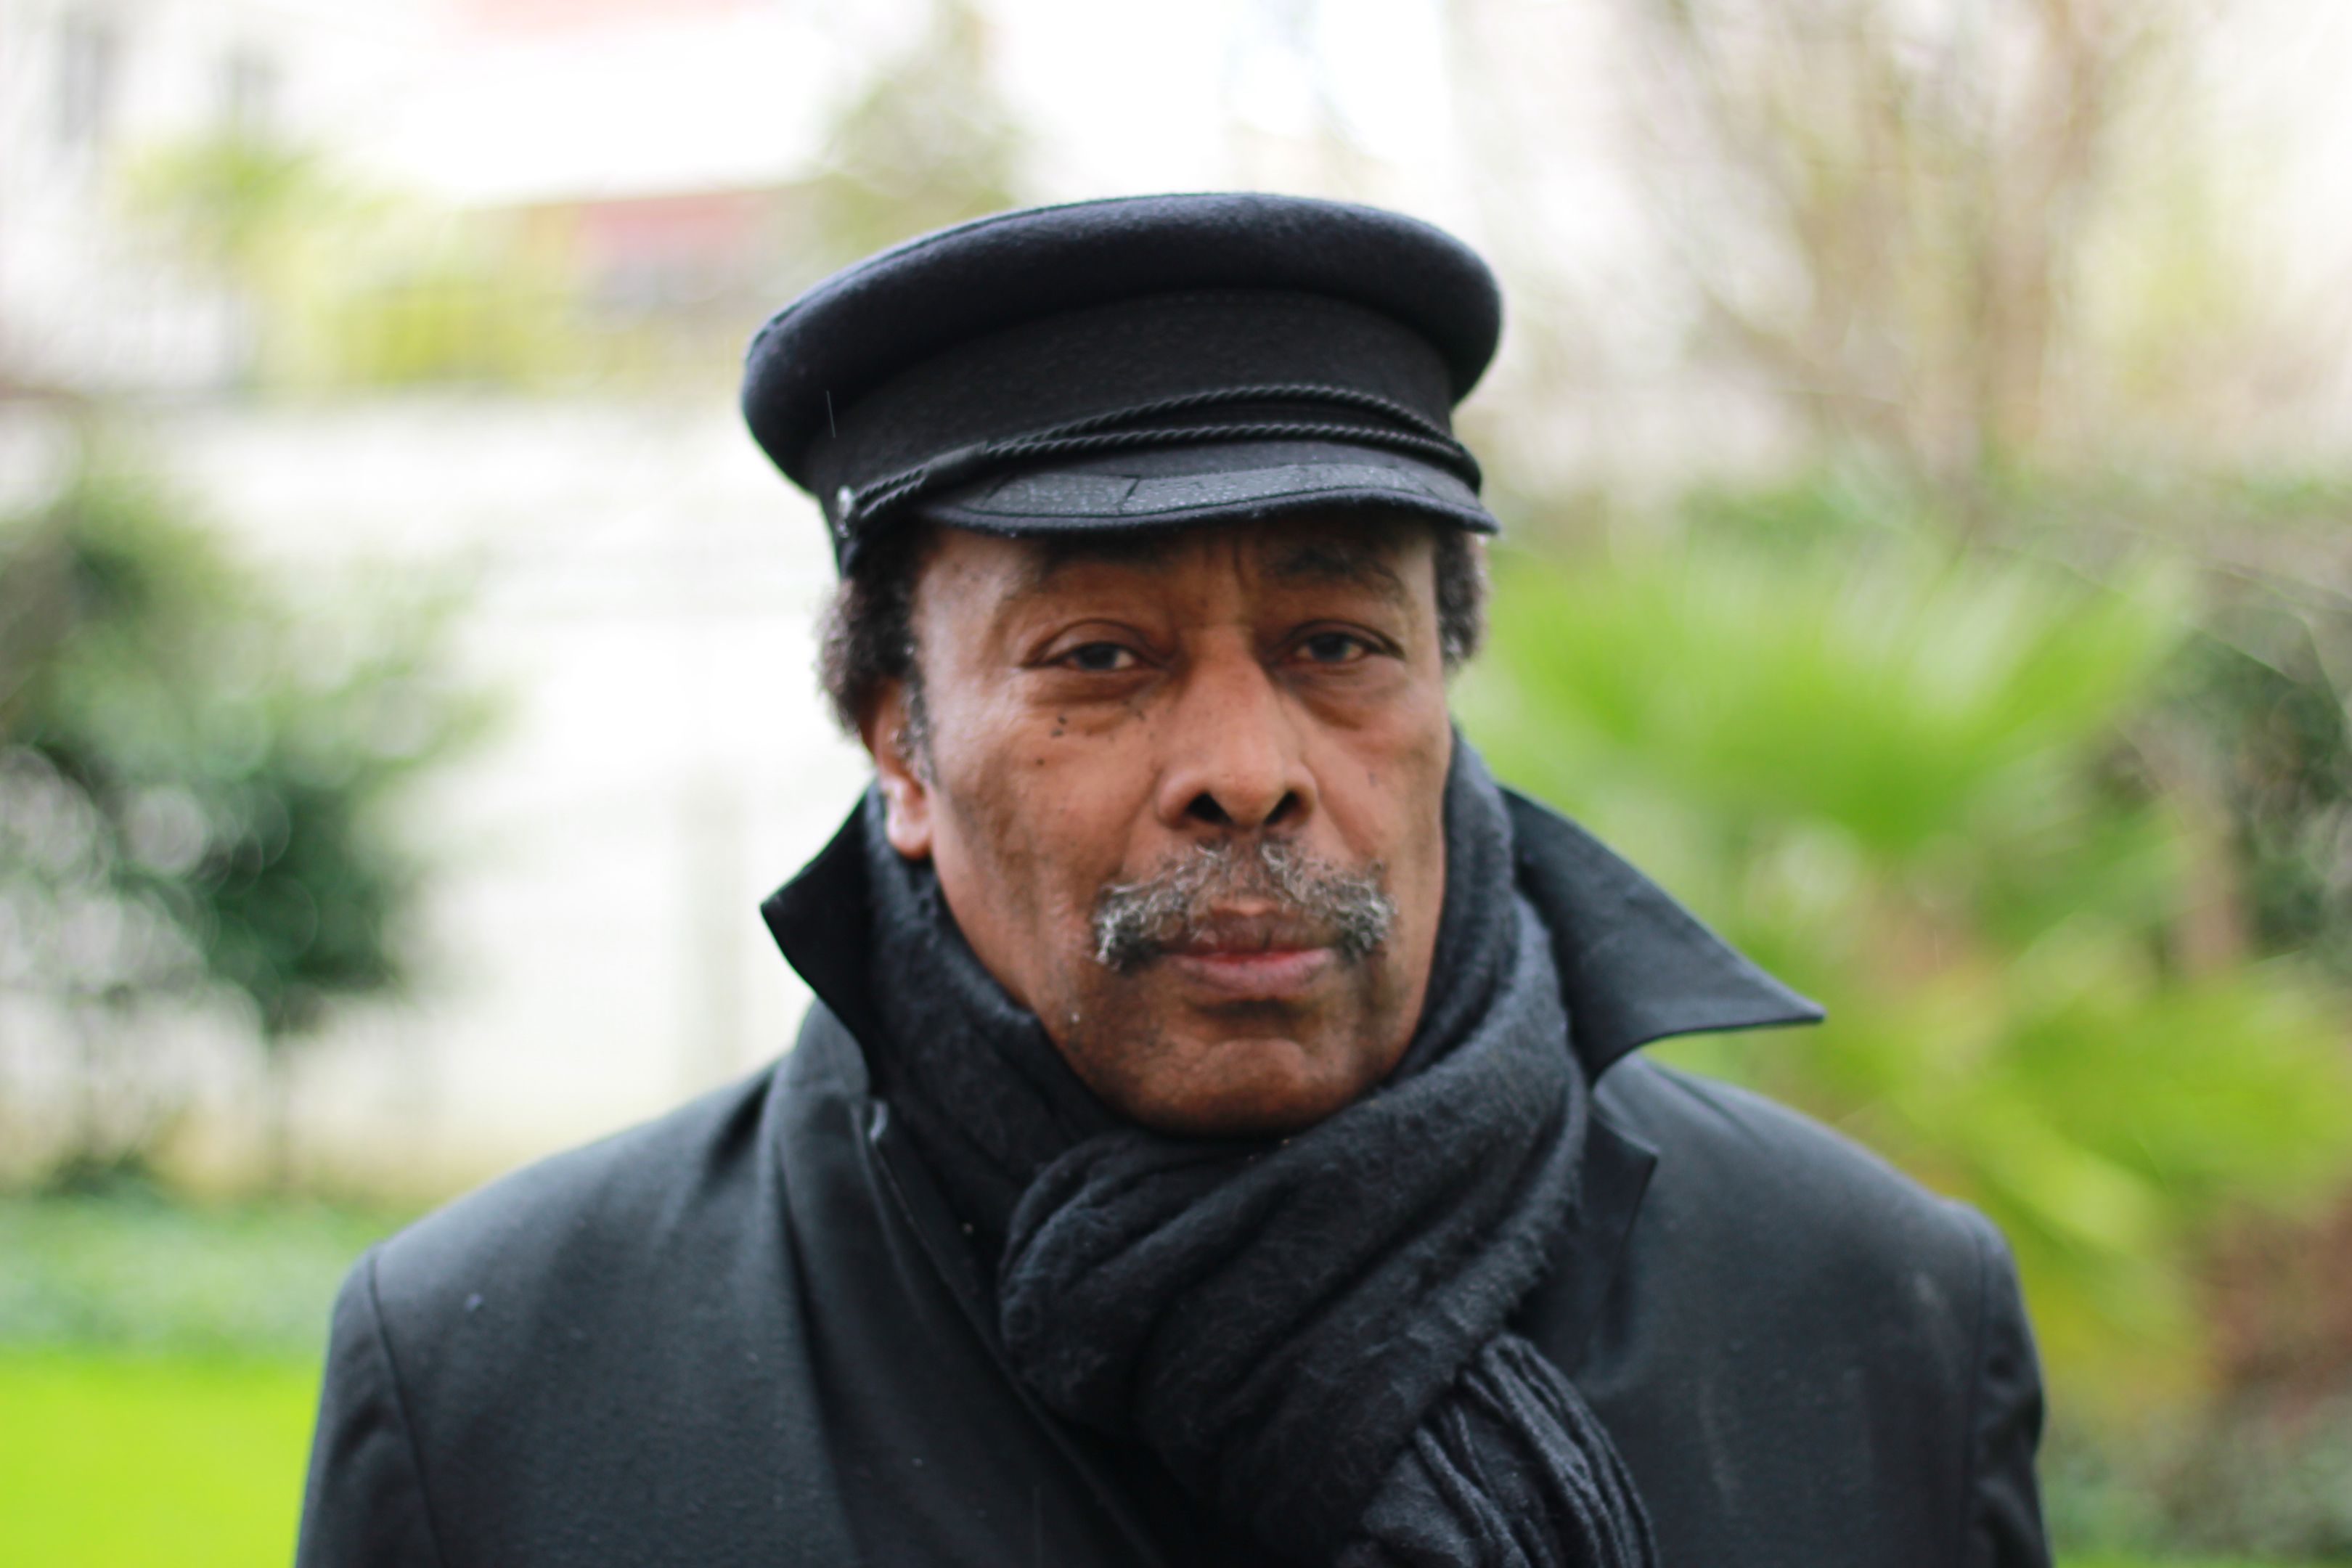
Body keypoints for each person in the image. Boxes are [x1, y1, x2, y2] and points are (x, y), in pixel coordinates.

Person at [295, 193, 2050, 1567]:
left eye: (1335, 643)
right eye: (1101, 658)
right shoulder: (505, 1383)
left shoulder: (1868, 1318)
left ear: (1443, 684)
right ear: (901, 745)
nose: (1247, 767)